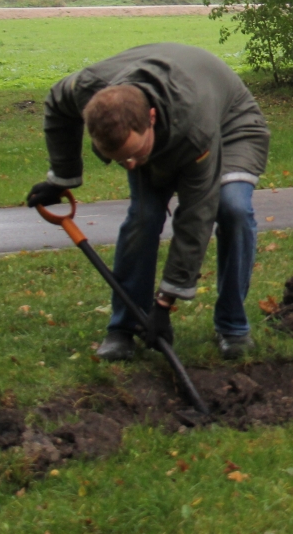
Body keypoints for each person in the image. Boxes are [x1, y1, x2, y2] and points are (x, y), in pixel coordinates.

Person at [26, 43, 270, 361]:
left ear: (150, 118)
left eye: (135, 154)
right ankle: (124, 328)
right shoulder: (90, 90)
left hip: (229, 126)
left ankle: (233, 326)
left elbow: (196, 217)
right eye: (119, 159)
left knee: (232, 209)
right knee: (143, 217)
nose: (129, 166)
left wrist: (164, 305)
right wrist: (62, 177)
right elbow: (57, 106)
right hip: (166, 127)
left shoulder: (194, 129)